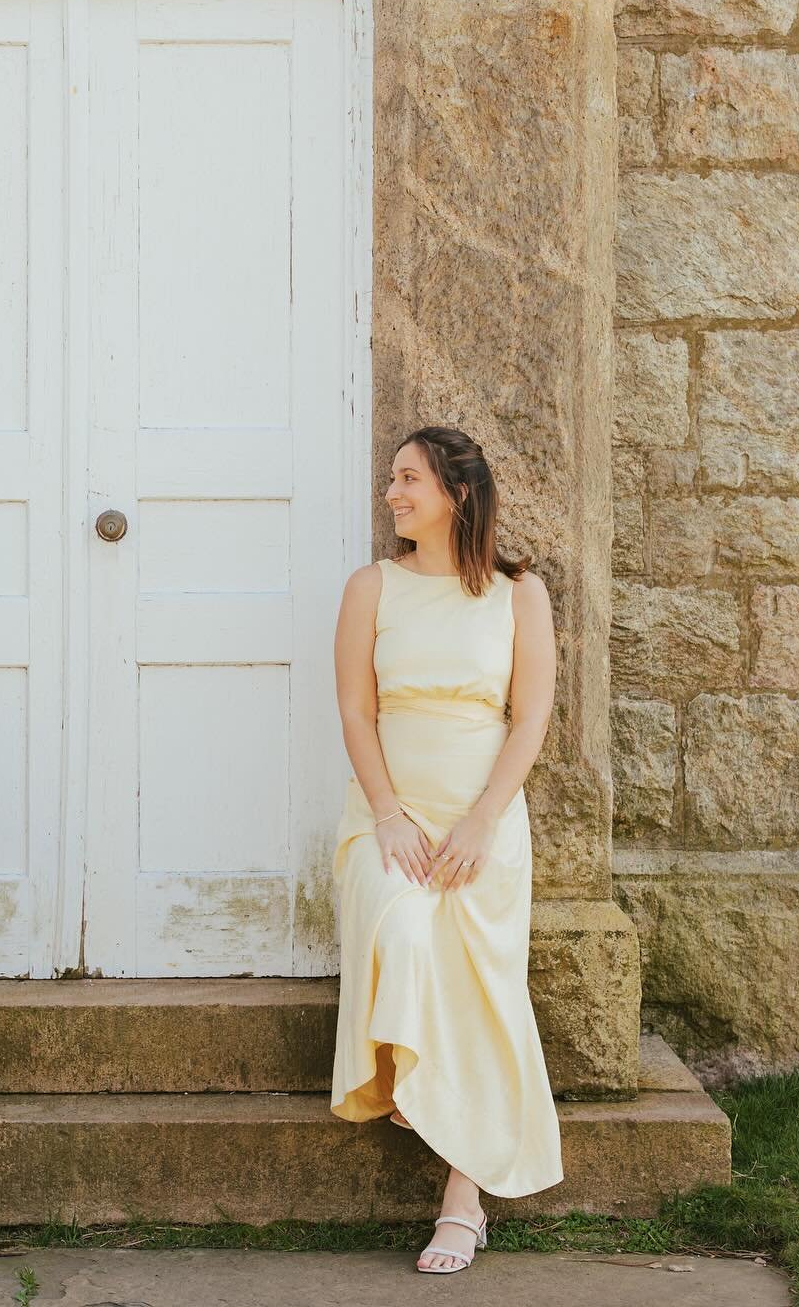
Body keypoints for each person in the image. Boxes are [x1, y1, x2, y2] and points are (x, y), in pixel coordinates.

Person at [328, 425, 562, 1274]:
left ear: (458, 493)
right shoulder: (371, 587)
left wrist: (481, 822)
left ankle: (462, 1204)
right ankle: (408, 1075)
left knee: (475, 975)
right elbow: (356, 713)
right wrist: (388, 814)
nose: (393, 494)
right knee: (403, 929)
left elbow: (530, 717)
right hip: (389, 813)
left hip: (482, 818)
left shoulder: (518, 594)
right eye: (392, 479)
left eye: (409, 480)